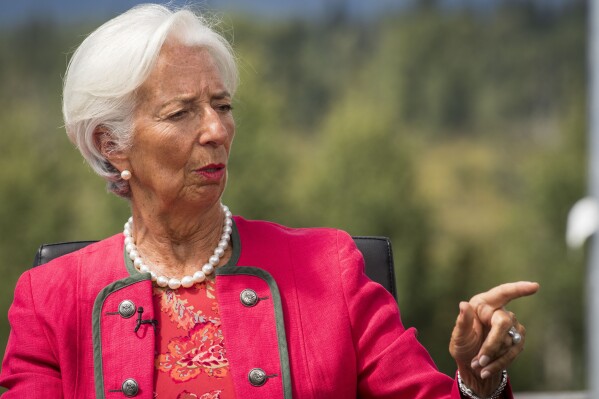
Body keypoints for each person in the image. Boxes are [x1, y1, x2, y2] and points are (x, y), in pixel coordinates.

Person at [0, 4, 539, 399]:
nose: (216, 129)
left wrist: (477, 382)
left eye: (222, 104)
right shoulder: (50, 298)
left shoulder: (330, 270)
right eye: (181, 112)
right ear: (109, 144)